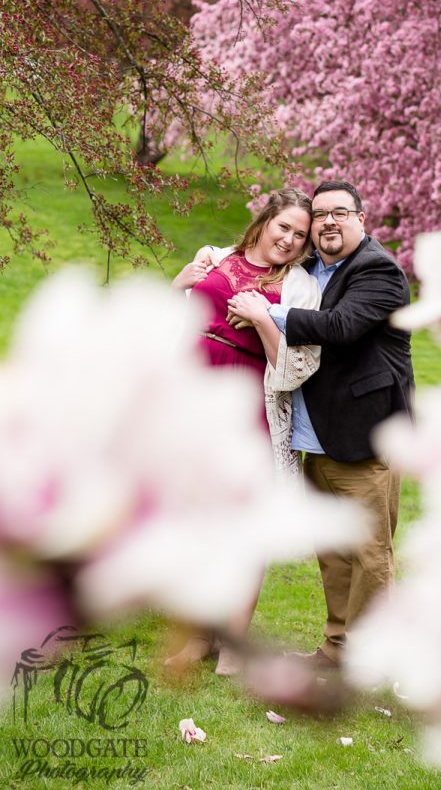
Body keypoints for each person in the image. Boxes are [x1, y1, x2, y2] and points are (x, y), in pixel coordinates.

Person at [226, 180, 414, 668]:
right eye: (322, 215)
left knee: (370, 558)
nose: (329, 222)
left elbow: (341, 327)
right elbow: (253, 257)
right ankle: (335, 649)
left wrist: (267, 312)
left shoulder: (379, 271)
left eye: (340, 213)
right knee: (332, 555)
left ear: (361, 219)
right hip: (316, 438)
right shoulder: (310, 269)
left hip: (364, 439)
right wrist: (208, 264)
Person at [165, 187, 321, 675]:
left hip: (251, 400)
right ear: (265, 220)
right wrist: (177, 287)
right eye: (284, 227)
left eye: (300, 235)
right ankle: (193, 639)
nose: (291, 240)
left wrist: (261, 319)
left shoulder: (301, 287)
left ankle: (232, 642)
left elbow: (297, 367)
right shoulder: (213, 257)